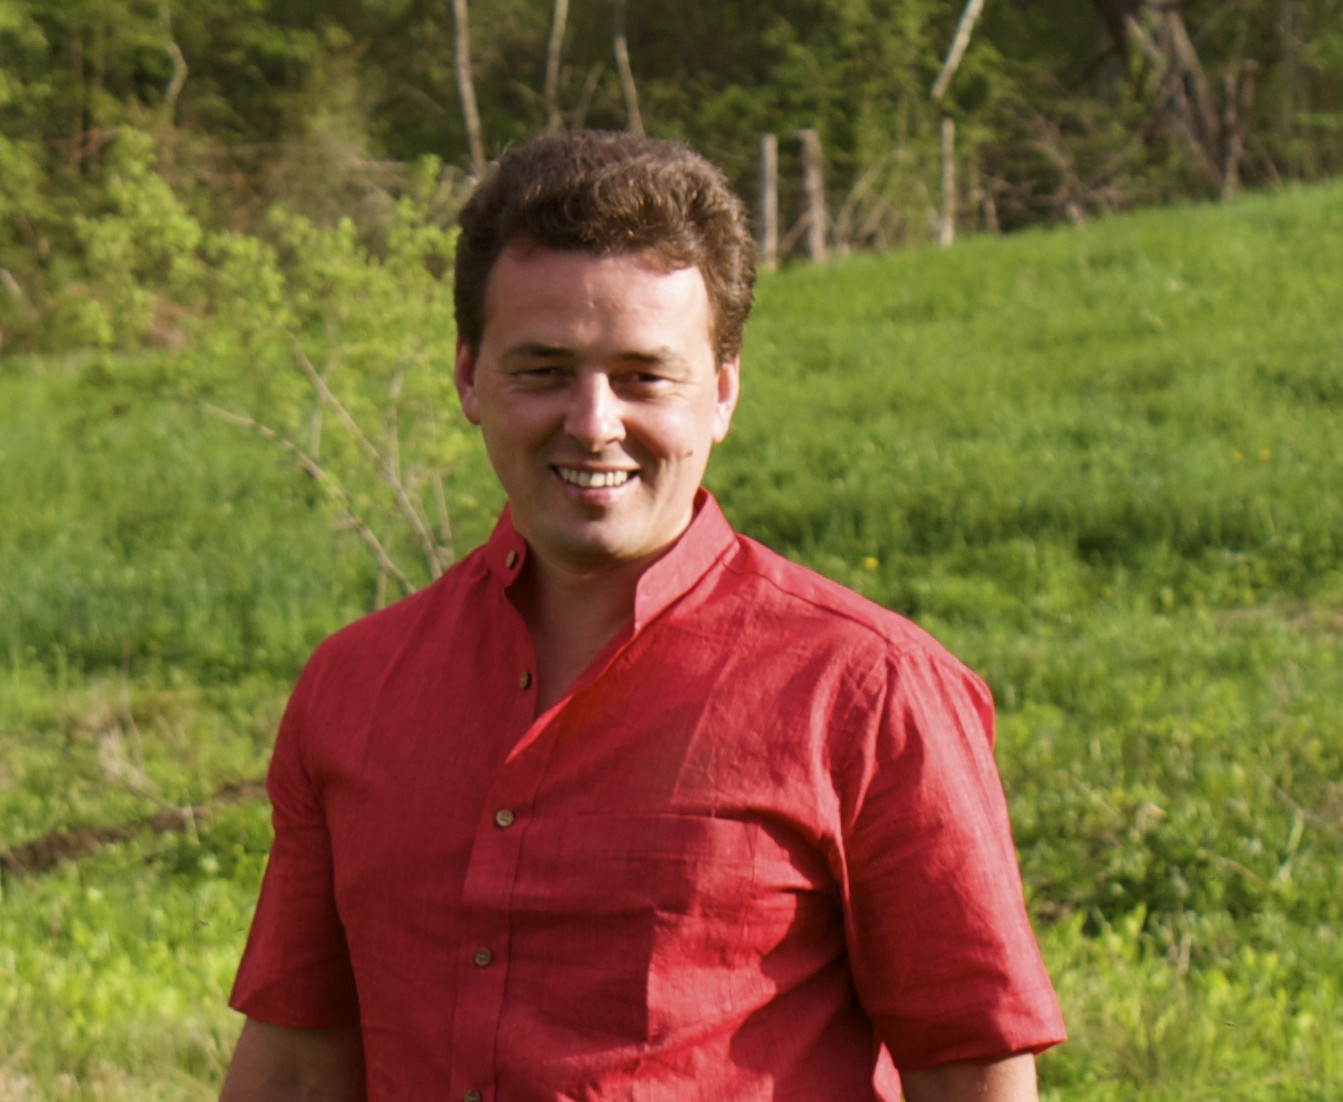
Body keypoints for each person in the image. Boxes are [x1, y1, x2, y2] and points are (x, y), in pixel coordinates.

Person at [219, 129, 1065, 1102]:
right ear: (466, 376)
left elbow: (970, 1067)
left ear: (722, 392)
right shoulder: (354, 686)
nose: (592, 422)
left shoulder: (870, 691)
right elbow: (296, 1066)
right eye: (543, 369)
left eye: (642, 375)